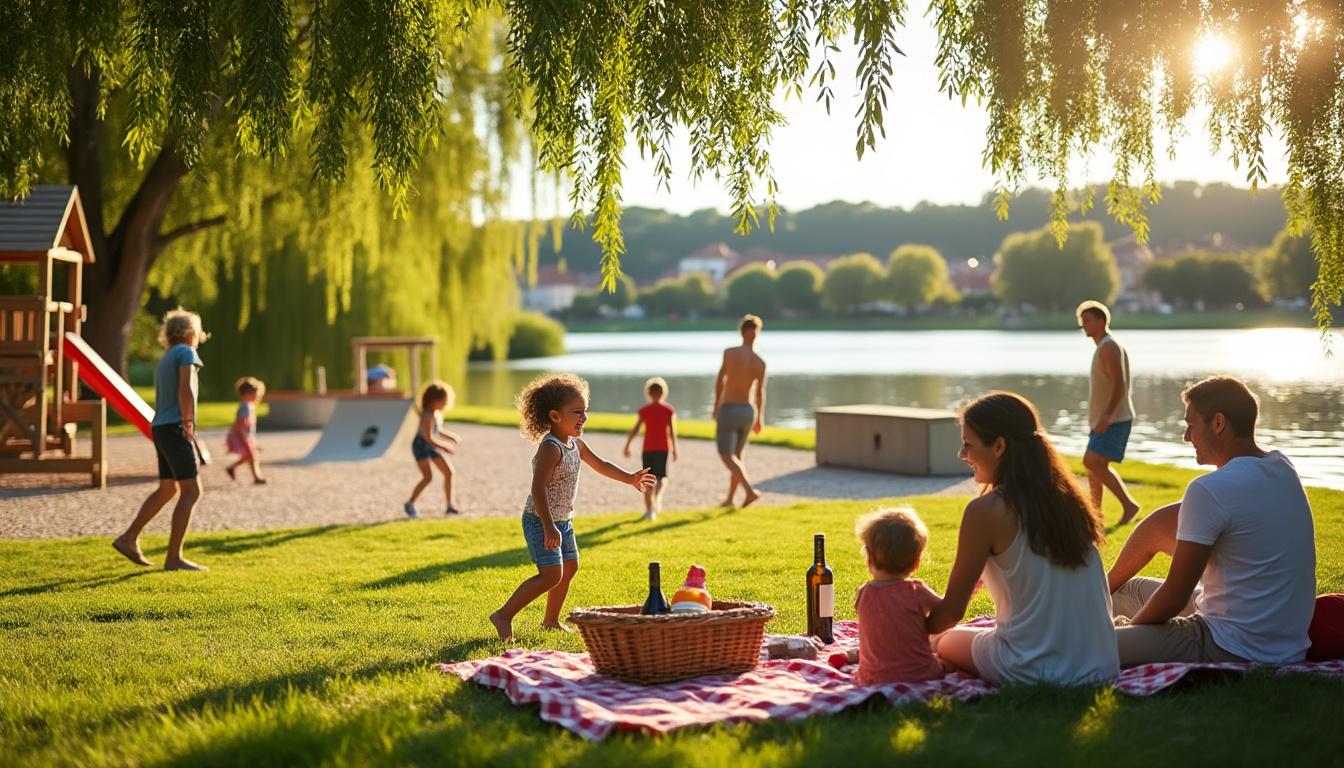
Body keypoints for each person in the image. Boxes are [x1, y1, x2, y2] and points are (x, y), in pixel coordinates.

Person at [1106, 376, 1316, 666]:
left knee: (1092, 648)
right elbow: (1158, 527)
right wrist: (1105, 587)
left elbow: (1174, 598)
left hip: (1227, 645)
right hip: (1285, 645)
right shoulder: (1282, 468)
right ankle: (1096, 607)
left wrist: (1134, 630)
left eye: (1191, 425)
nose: (1186, 436)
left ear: (1218, 423)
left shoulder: (1209, 490)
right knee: (1126, 589)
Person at [926, 391, 1118, 685]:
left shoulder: (986, 510)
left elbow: (951, 612)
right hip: (1100, 666)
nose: (962, 455)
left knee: (945, 640)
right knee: (965, 637)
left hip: (1032, 669)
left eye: (968, 445)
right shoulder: (1069, 501)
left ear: (999, 446)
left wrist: (901, 636)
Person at [489, 374, 655, 640]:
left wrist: (630, 478)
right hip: (540, 520)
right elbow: (538, 489)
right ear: (555, 416)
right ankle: (503, 615)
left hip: (563, 520)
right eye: (577, 412)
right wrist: (548, 525)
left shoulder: (576, 444)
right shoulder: (551, 448)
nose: (584, 418)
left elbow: (601, 465)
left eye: (585, 411)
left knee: (570, 566)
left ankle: (550, 621)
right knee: (551, 574)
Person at [112, 309, 211, 572]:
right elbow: (186, 388)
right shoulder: (187, 353)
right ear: (190, 332)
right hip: (176, 426)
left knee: (169, 489)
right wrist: (189, 422)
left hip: (160, 427)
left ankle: (128, 538)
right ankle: (173, 558)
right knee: (192, 491)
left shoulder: (167, 356)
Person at [852, 507, 947, 684]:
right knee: (949, 659)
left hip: (871, 678)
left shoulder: (863, 594)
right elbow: (947, 610)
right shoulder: (916, 591)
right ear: (916, 562)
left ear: (869, 558)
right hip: (921, 674)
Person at [1077, 300, 1141, 524]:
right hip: (1103, 419)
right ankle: (1095, 515)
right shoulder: (1104, 346)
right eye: (1081, 321)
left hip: (1114, 418)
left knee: (1092, 462)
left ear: (1102, 321)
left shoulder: (1109, 347)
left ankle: (1129, 505)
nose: (1083, 325)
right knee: (1095, 466)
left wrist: (1107, 416)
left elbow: (1119, 384)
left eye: (1087, 321)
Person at [712, 314, 767, 508]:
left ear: (742, 332)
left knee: (727, 455)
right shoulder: (759, 362)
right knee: (737, 456)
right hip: (747, 411)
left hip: (730, 408)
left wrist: (716, 405)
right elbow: (760, 392)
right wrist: (759, 418)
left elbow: (720, 381)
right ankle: (729, 500)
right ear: (756, 334)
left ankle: (749, 491)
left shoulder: (730, 353)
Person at [623, 377, 678, 521]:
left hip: (648, 449)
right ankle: (658, 497)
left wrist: (628, 444)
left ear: (648, 393)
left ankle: (649, 511)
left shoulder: (645, 410)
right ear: (664, 392)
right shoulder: (668, 410)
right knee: (661, 477)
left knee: (647, 479)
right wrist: (675, 449)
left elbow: (635, 429)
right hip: (663, 448)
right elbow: (672, 432)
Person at [404, 382, 462, 518]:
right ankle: (410, 503)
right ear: (432, 401)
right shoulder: (427, 415)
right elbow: (428, 437)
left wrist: (451, 437)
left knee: (449, 472)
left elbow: (437, 430)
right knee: (427, 477)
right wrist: (445, 446)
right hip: (421, 446)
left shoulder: (435, 414)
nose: (444, 405)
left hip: (430, 445)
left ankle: (450, 505)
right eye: (442, 402)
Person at [225, 376, 267, 484]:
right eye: (255, 394)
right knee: (252, 456)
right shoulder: (246, 407)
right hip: (241, 435)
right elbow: (240, 423)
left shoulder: (248, 405)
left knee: (249, 456)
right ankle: (257, 477)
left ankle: (232, 467)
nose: (257, 397)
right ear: (247, 394)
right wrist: (246, 439)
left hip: (244, 435)